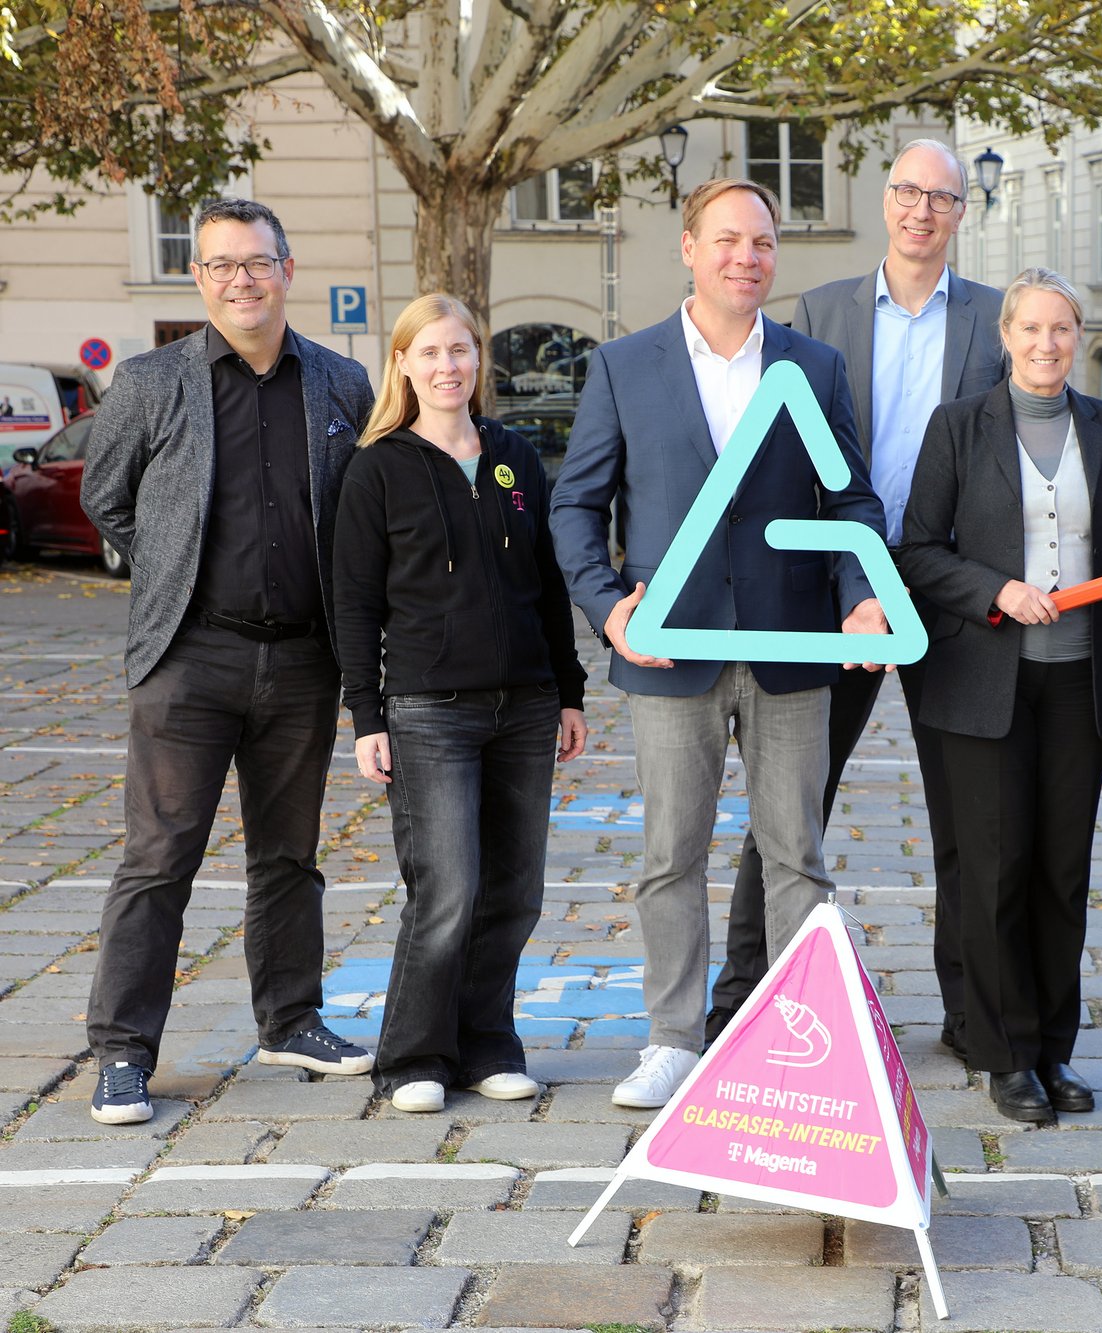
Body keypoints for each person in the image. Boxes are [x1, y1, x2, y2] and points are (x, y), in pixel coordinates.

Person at [550, 178, 889, 1110]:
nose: (748, 257)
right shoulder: (624, 365)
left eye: (764, 242)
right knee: (671, 856)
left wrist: (863, 597)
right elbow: (575, 505)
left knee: (798, 857)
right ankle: (673, 1040)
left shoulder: (815, 367)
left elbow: (851, 501)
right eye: (730, 239)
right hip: (669, 653)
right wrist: (608, 607)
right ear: (690, 249)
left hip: (792, 649)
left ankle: (795, 1040)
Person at [706, 139, 1008, 1054]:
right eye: (909, 192)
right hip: (842, 586)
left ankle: (970, 1015)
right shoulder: (823, 310)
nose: (923, 210)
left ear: (962, 211)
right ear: (886, 201)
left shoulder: (994, 317)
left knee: (966, 810)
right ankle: (741, 998)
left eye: (942, 197)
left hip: (952, 589)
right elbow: (796, 451)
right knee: (792, 804)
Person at [79, 199, 377, 1125]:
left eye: (256, 261)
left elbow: (362, 509)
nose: (240, 279)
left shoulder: (341, 382)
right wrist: (174, 571)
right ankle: (123, 1052)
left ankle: (291, 1020)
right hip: (189, 657)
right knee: (158, 858)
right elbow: (105, 497)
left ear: (287, 269)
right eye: (220, 264)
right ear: (199, 277)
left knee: (288, 856)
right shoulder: (150, 381)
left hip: (303, 659)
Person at [900, 268, 1102, 1121]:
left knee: (1061, 869)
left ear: (1077, 337)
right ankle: (1004, 1052)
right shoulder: (958, 426)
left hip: (1080, 676)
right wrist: (996, 590)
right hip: (984, 681)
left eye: (1062, 329)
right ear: (1006, 336)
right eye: (1032, 328)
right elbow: (918, 550)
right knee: (996, 868)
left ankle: (1055, 1047)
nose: (1047, 344)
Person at [331, 294, 589, 1113]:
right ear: (403, 365)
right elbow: (353, 603)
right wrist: (366, 717)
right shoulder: (377, 468)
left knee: (515, 891)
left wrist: (570, 693)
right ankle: (413, 1056)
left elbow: (546, 584)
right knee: (447, 889)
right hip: (428, 709)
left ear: (479, 360)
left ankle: (486, 1045)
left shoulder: (514, 456)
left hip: (526, 707)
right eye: (431, 352)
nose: (448, 366)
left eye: (461, 350)